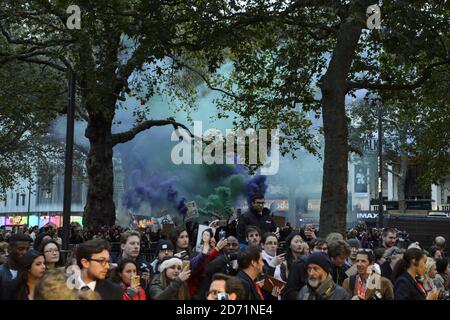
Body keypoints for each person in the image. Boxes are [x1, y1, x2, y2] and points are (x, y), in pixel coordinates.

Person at [0, 233, 31, 299]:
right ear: (9, 249)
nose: (25, 252)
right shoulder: (1, 272)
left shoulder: (31, 271)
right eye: (21, 249)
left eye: (27, 249)